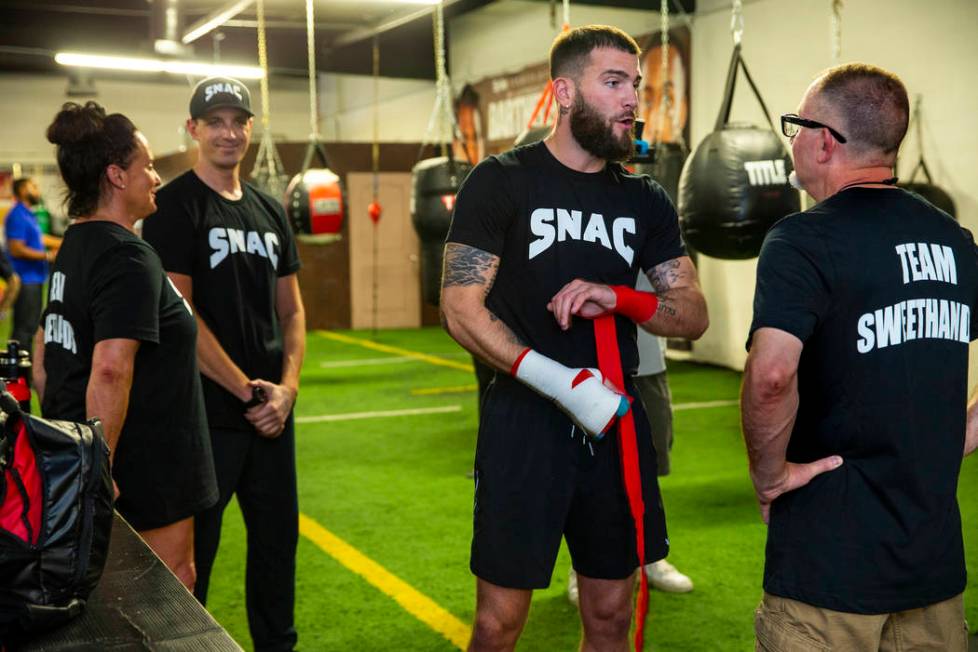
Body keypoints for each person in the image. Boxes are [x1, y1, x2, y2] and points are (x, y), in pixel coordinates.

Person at [441, 25, 708, 651]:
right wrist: (562, 384)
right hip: (524, 425)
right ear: (564, 92)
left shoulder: (646, 200)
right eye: (613, 83)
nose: (631, 101)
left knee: (611, 619)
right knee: (498, 623)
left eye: (634, 85)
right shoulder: (501, 181)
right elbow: (460, 308)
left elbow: (692, 314)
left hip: (615, 427)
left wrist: (622, 296)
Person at [741, 63, 977, 651]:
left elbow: (772, 375)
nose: (791, 138)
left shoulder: (800, 239)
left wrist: (770, 476)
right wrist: (960, 433)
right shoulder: (954, 239)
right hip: (933, 567)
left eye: (796, 125)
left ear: (825, 141)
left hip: (828, 569)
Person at [142, 76, 305, 652]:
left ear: (251, 129)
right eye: (215, 122)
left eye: (238, 121)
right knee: (194, 563)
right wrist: (248, 392)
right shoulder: (173, 208)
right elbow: (182, 314)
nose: (228, 133)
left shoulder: (268, 209)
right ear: (193, 129)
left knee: (276, 552)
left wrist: (285, 389)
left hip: (272, 418)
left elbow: (291, 312)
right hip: (208, 417)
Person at [33, 101, 218, 589]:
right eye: (148, 166)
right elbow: (111, 368)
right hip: (145, 465)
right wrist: (99, 470)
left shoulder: (74, 247)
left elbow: (44, 362)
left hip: (86, 458)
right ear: (116, 176)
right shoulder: (128, 256)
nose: (156, 177)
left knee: (113, 597)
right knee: (167, 591)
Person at [568, 273, 693, 606]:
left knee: (649, 463)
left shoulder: (653, 222)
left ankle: (650, 555)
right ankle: (581, 565)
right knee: (593, 466)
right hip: (587, 360)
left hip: (647, 362)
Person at [4, 177, 61, 352]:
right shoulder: (17, 215)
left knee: (30, 328)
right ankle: (18, 373)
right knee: (24, 330)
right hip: (26, 279)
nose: (37, 190)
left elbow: (39, 239)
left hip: (34, 279)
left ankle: (23, 372)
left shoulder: (28, 214)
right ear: (22, 191)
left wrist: (63, 241)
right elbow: (16, 249)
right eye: (33, 186)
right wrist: (48, 255)